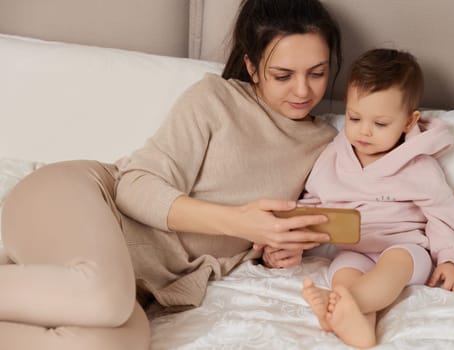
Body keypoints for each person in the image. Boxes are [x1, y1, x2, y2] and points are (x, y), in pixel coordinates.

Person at [0, 1, 342, 349]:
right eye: (283, 75)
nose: (302, 91)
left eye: (317, 73)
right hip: (75, 198)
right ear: (253, 67)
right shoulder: (216, 99)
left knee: (116, 344)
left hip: (123, 285)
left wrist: (273, 251)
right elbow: (133, 186)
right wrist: (240, 222)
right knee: (103, 295)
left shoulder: (327, 145)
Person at [300, 48, 454, 348]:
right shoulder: (333, 157)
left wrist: (451, 261)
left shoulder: (419, 166)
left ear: (408, 122)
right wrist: (290, 235)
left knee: (394, 265)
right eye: (354, 118)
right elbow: (313, 203)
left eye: (380, 124)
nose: (364, 132)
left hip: (406, 249)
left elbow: (443, 214)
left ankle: (338, 305)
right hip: (355, 250)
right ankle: (358, 327)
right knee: (343, 273)